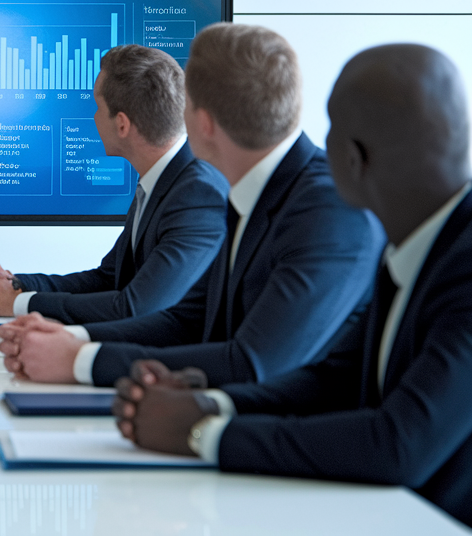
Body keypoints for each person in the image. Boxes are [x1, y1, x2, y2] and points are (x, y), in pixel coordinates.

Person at [111, 44, 472, 527]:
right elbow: (334, 379)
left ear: (352, 158)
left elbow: (397, 443)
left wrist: (205, 433)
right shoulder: (416, 244)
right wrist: (213, 402)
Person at [0, 23, 384, 387]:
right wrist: (67, 338)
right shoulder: (250, 191)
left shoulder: (330, 210)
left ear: (203, 122)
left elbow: (253, 363)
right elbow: (188, 320)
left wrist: (82, 360)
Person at [0, 44, 229, 322]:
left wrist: (19, 304)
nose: (93, 117)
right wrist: (17, 284)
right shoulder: (161, 180)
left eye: (97, 106)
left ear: (122, 125)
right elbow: (109, 278)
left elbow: (135, 307)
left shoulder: (198, 194)